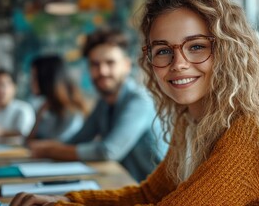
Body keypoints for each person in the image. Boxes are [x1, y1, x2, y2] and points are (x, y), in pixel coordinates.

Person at [10, 0, 259, 206]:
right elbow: (147, 195)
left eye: (196, 47)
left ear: (227, 53)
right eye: (163, 50)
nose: (178, 64)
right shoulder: (189, 121)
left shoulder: (248, 133)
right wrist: (65, 200)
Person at [26, 28, 164, 182]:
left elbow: (108, 151)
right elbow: (77, 140)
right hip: (128, 187)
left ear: (126, 65)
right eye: (95, 64)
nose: (102, 71)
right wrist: (44, 146)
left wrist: (49, 150)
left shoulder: (140, 101)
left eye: (110, 63)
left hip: (162, 197)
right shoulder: (103, 104)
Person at [26, 55, 88, 143]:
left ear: (47, 79)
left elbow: (58, 145)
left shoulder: (72, 112)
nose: (31, 82)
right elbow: (30, 141)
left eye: (35, 77)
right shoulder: (45, 109)